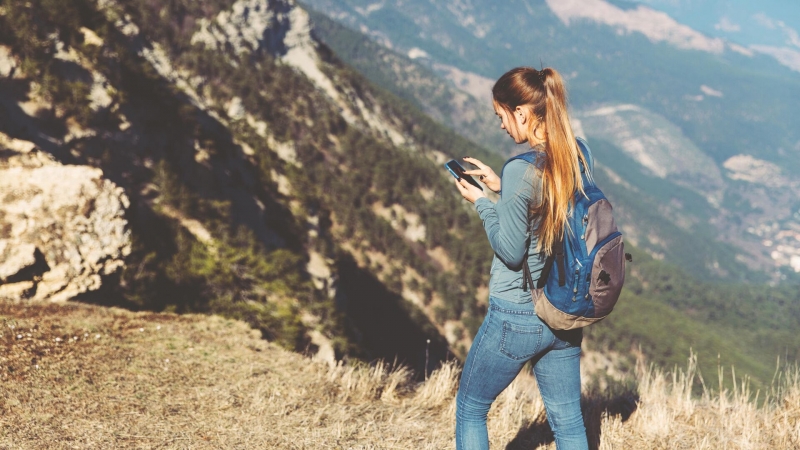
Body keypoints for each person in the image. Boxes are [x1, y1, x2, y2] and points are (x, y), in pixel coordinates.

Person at [452, 66, 590, 450]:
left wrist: (483, 202)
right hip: (563, 311)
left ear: (522, 113)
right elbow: (547, 205)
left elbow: (512, 253)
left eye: (501, 115)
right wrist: (504, 190)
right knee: (568, 423)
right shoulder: (577, 153)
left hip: (517, 313)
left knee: (471, 407)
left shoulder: (520, 169)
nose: (501, 125)